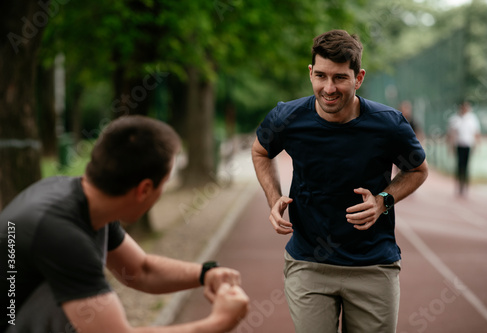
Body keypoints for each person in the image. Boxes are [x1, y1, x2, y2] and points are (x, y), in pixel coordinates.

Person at [1, 115, 249, 333]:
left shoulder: (80, 198)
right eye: (164, 184)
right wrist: (218, 323)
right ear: (144, 189)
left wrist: (206, 273)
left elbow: (140, 270)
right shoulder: (62, 235)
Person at [251, 29, 428, 332]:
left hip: (374, 265)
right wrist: (273, 198)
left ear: (358, 78)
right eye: (321, 76)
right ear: (311, 73)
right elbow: (260, 152)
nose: (328, 88)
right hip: (309, 263)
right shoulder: (287, 117)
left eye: (340, 78)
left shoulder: (388, 124)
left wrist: (383, 201)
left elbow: (418, 170)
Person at [447, 101, 481, 196]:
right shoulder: (455, 119)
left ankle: (465, 186)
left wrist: (477, 145)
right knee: (459, 166)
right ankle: (459, 185)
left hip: (468, 145)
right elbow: (451, 134)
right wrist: (450, 146)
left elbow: (476, 132)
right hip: (459, 145)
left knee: (466, 166)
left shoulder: (472, 119)